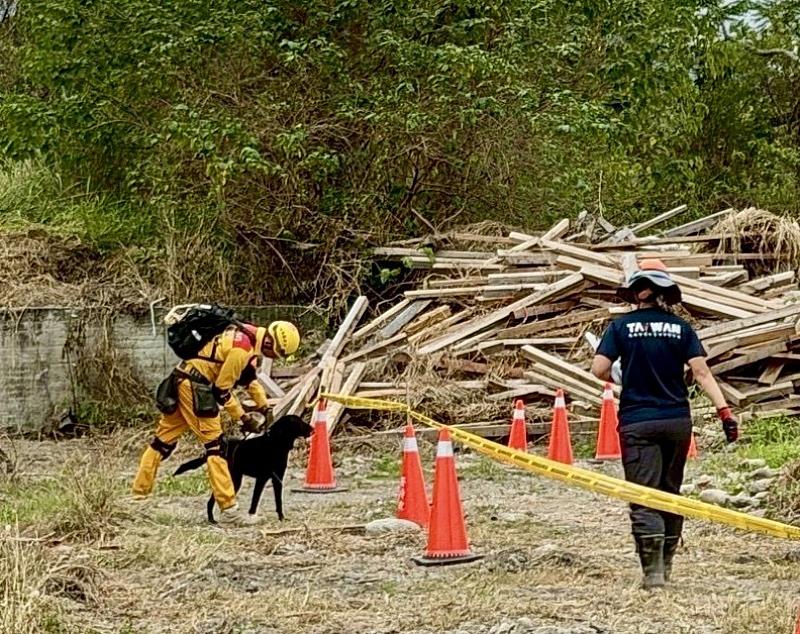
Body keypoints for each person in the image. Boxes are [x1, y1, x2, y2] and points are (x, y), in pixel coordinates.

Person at [590, 259, 738, 589]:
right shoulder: (682, 328)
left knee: (644, 496)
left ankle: (653, 574)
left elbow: (598, 370)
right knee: (670, 493)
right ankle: (666, 564)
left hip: (638, 422)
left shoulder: (620, 328)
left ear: (639, 293)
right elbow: (701, 373)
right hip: (676, 422)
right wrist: (724, 412)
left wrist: (621, 375)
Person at [131, 320, 300, 522]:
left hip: (182, 379)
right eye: (277, 354)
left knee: (161, 443)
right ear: (269, 344)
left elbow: (249, 379)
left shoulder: (246, 334)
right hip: (196, 388)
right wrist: (244, 418)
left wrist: (264, 406)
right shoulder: (241, 351)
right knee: (216, 447)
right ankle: (229, 509)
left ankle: (138, 496)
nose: (274, 358)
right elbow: (221, 391)